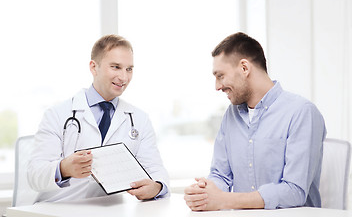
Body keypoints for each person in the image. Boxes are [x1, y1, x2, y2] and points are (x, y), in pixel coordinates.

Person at [184, 32, 326, 210]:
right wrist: (204, 193)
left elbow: (294, 191)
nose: (217, 86)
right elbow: (221, 175)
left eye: (220, 76)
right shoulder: (231, 115)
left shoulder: (302, 112)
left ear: (244, 68)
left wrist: (224, 200)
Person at [28, 34, 169, 202]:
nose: (124, 77)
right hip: (60, 208)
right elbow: (34, 175)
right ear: (94, 67)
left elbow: (156, 172)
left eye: (129, 69)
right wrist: (64, 168)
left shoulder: (139, 119)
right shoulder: (57, 114)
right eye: (116, 67)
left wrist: (156, 187)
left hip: (112, 211)